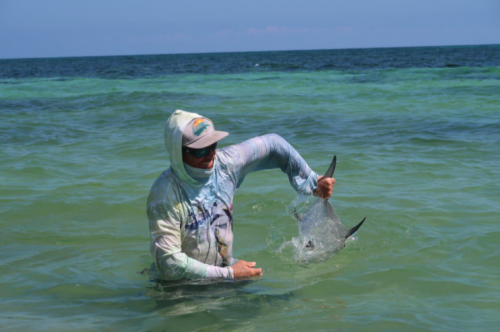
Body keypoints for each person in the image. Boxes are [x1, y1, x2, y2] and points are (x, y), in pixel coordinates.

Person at [147, 110, 335, 280]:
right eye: (201, 150)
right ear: (178, 152)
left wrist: (312, 180)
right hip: (180, 289)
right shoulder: (165, 194)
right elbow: (169, 263)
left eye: (213, 145)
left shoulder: (225, 164)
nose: (211, 154)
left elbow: (273, 143)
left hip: (226, 276)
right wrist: (229, 273)